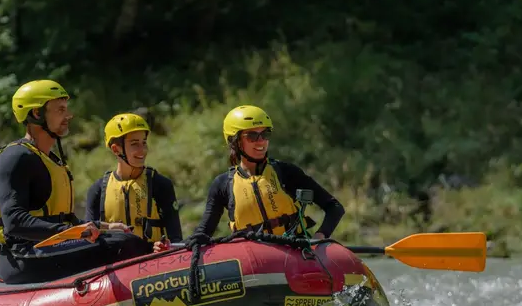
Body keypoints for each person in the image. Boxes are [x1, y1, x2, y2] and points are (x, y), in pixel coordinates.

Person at [0, 80, 151, 284]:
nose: (68, 115)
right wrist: (70, 233)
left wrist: (104, 226)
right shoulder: (16, 157)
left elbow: (60, 220)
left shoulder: (49, 159)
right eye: (60, 110)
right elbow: (14, 222)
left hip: (46, 249)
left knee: (123, 237)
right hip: (23, 258)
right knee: (125, 244)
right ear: (37, 114)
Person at [191, 105, 345, 242]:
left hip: (293, 250)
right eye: (252, 136)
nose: (261, 141)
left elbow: (334, 207)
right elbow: (203, 233)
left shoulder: (286, 172)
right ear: (235, 141)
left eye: (265, 134)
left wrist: (319, 237)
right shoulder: (222, 184)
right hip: (252, 260)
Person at [85, 112, 183, 249]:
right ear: (116, 149)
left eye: (144, 143)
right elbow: (87, 236)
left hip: (153, 262)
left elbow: (176, 238)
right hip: (115, 263)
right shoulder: (97, 190)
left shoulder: (160, 184)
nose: (142, 150)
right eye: (135, 144)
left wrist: (164, 246)